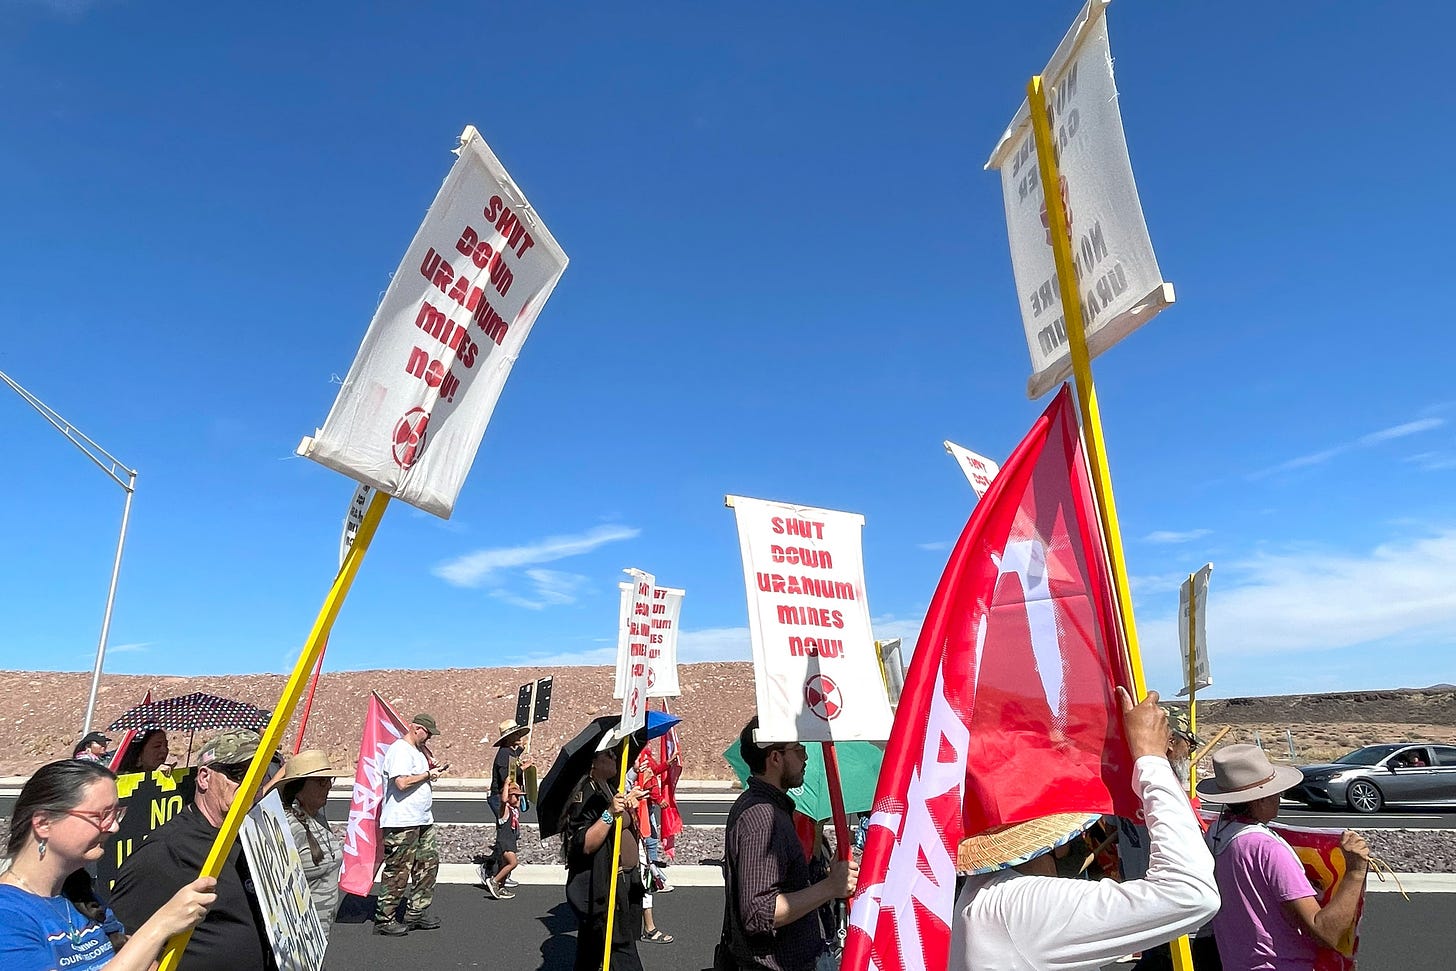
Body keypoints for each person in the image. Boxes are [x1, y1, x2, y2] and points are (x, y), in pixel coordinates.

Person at [949, 689, 1220, 971]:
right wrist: (1151, 759)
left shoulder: (983, 899)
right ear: (1060, 841)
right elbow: (1192, 893)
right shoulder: (1020, 907)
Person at [0, 759, 215, 971]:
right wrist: (160, 925)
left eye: (116, 814)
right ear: (43, 824)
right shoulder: (7, 915)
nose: (113, 827)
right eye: (102, 816)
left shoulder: (80, 896)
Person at [108, 731, 272, 971]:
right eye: (240, 774)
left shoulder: (251, 837)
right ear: (204, 778)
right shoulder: (166, 850)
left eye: (259, 775)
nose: (252, 785)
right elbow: (121, 941)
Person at [1198, 744, 1370, 971]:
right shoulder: (1268, 849)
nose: (1279, 796)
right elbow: (1324, 932)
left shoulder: (1216, 834)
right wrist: (1355, 873)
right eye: (1275, 791)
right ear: (1259, 799)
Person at [721, 717, 858, 971]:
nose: (805, 757)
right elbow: (760, 912)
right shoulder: (762, 817)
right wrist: (830, 887)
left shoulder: (768, 809)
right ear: (775, 758)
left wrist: (828, 875)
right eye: (799, 749)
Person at [1117, 703, 1222, 970]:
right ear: (1170, 742)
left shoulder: (1122, 790)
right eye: (1190, 745)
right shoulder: (1165, 801)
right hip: (1179, 918)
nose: (1191, 752)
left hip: (1147, 914)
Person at [564, 742, 648, 971]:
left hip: (620, 881)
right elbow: (586, 843)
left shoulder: (608, 787)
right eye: (608, 755)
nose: (614, 758)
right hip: (601, 887)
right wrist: (610, 813)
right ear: (594, 762)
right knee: (622, 951)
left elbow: (623, 826)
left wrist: (629, 803)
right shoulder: (585, 794)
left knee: (591, 953)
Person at [374, 713, 445, 936]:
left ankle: (416, 912)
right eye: (428, 733)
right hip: (402, 822)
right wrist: (427, 774)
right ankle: (384, 919)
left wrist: (431, 770)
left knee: (428, 865)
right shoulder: (400, 750)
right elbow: (402, 782)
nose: (430, 738)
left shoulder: (418, 752)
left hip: (422, 819)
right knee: (398, 871)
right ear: (416, 728)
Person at [276, 749, 344, 943]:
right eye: (321, 781)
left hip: (320, 935)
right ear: (298, 787)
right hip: (298, 938)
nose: (328, 786)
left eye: (330, 780)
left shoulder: (318, 818)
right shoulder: (288, 826)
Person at [483, 780, 523, 900]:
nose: (518, 799)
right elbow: (504, 800)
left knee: (504, 865)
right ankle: (494, 881)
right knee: (513, 862)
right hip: (504, 841)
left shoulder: (514, 810)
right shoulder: (504, 809)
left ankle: (501, 887)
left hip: (510, 841)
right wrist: (506, 785)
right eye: (515, 796)